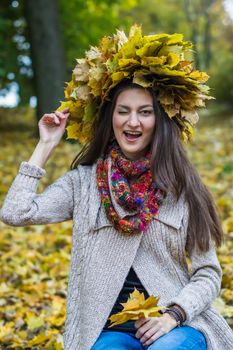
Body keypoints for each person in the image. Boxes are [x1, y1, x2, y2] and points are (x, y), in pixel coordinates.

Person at [1, 25, 233, 350]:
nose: (132, 122)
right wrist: (45, 146)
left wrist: (174, 314)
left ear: (160, 121)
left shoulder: (182, 189)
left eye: (145, 112)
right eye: (123, 111)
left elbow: (208, 273)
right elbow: (14, 212)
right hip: (107, 331)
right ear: (111, 118)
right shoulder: (84, 183)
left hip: (174, 326)